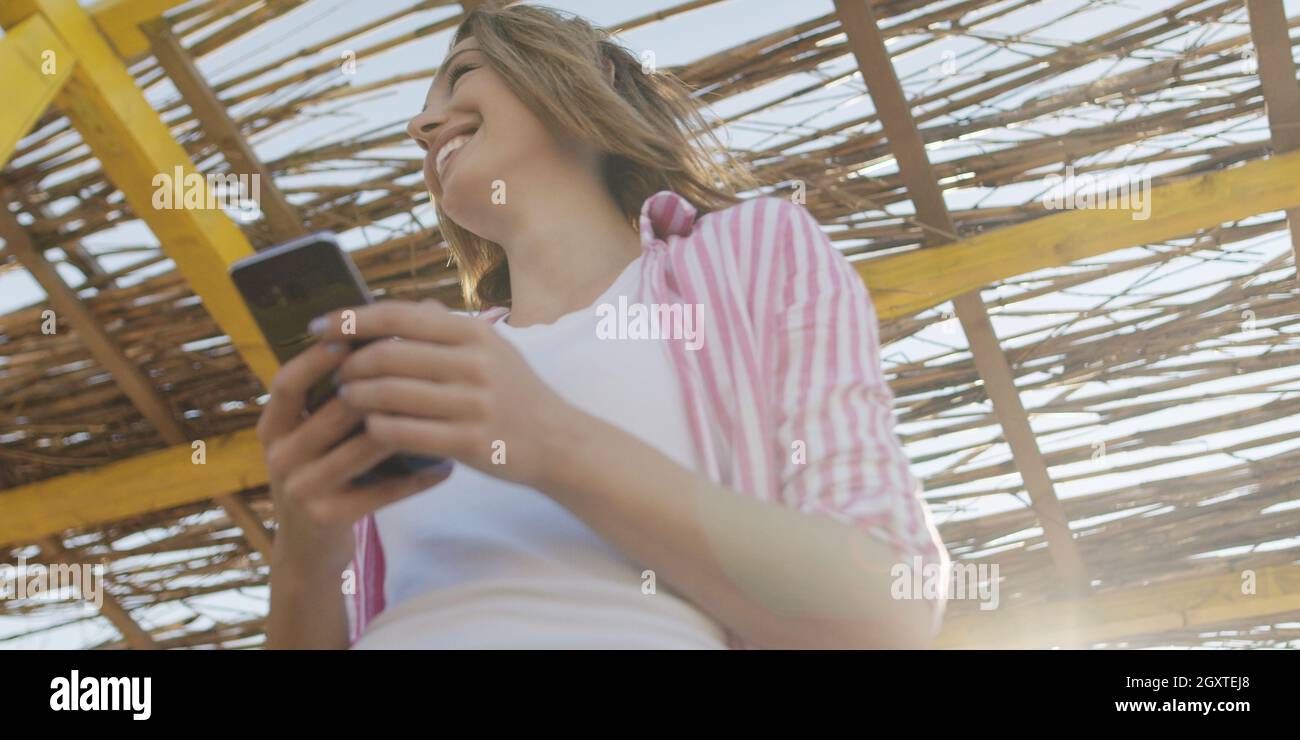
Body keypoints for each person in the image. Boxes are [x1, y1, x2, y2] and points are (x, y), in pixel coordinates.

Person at [261, 3, 948, 649]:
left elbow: (888, 610)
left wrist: (549, 439)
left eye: (463, 72)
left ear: (586, 78)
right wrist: (304, 553)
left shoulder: (749, 251)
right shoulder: (425, 373)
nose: (421, 125)